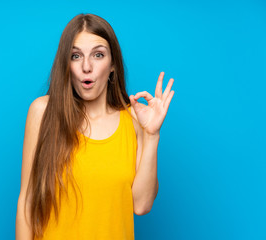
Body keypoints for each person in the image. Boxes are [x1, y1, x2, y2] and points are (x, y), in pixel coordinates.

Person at [16, 13, 175, 240]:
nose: (86, 66)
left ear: (112, 66)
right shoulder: (43, 112)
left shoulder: (134, 120)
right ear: (66, 64)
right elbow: (27, 201)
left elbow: (141, 205)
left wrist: (152, 135)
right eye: (75, 56)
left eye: (98, 55)